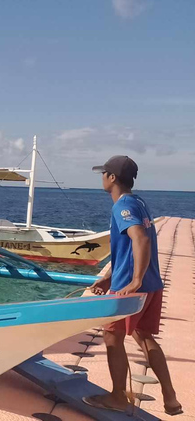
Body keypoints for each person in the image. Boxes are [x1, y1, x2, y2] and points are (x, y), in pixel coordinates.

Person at [83, 156, 182, 416]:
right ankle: (170, 397)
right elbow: (129, 246)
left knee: (111, 335)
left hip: (134, 284)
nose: (101, 177)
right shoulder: (138, 201)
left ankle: (117, 396)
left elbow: (140, 239)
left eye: (103, 173)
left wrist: (133, 280)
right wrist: (110, 276)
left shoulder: (122, 206)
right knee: (143, 336)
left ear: (112, 177)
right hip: (152, 284)